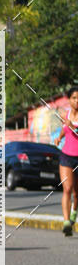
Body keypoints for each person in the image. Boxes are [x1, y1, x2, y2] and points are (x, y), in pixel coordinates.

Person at [54, 86, 78, 237]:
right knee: (67, 189)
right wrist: (59, 137)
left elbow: (71, 129)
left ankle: (74, 212)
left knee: (77, 194)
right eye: (74, 98)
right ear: (69, 100)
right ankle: (66, 222)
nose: (77, 101)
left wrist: (73, 127)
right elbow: (64, 129)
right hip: (66, 156)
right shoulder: (65, 115)